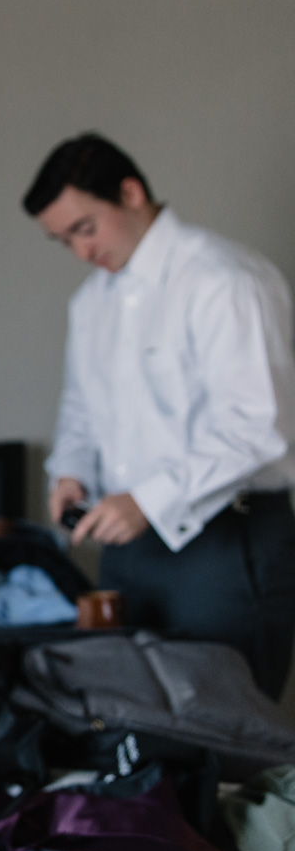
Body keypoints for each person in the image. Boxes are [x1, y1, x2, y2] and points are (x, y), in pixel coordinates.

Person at [25, 132, 295, 698]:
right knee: (139, 727)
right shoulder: (90, 303)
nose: (80, 252)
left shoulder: (225, 279)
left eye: (85, 228)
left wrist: (147, 501)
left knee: (233, 735)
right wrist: (69, 471)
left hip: (227, 546)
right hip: (129, 553)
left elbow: (257, 427)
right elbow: (80, 409)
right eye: (61, 241)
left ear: (131, 192)